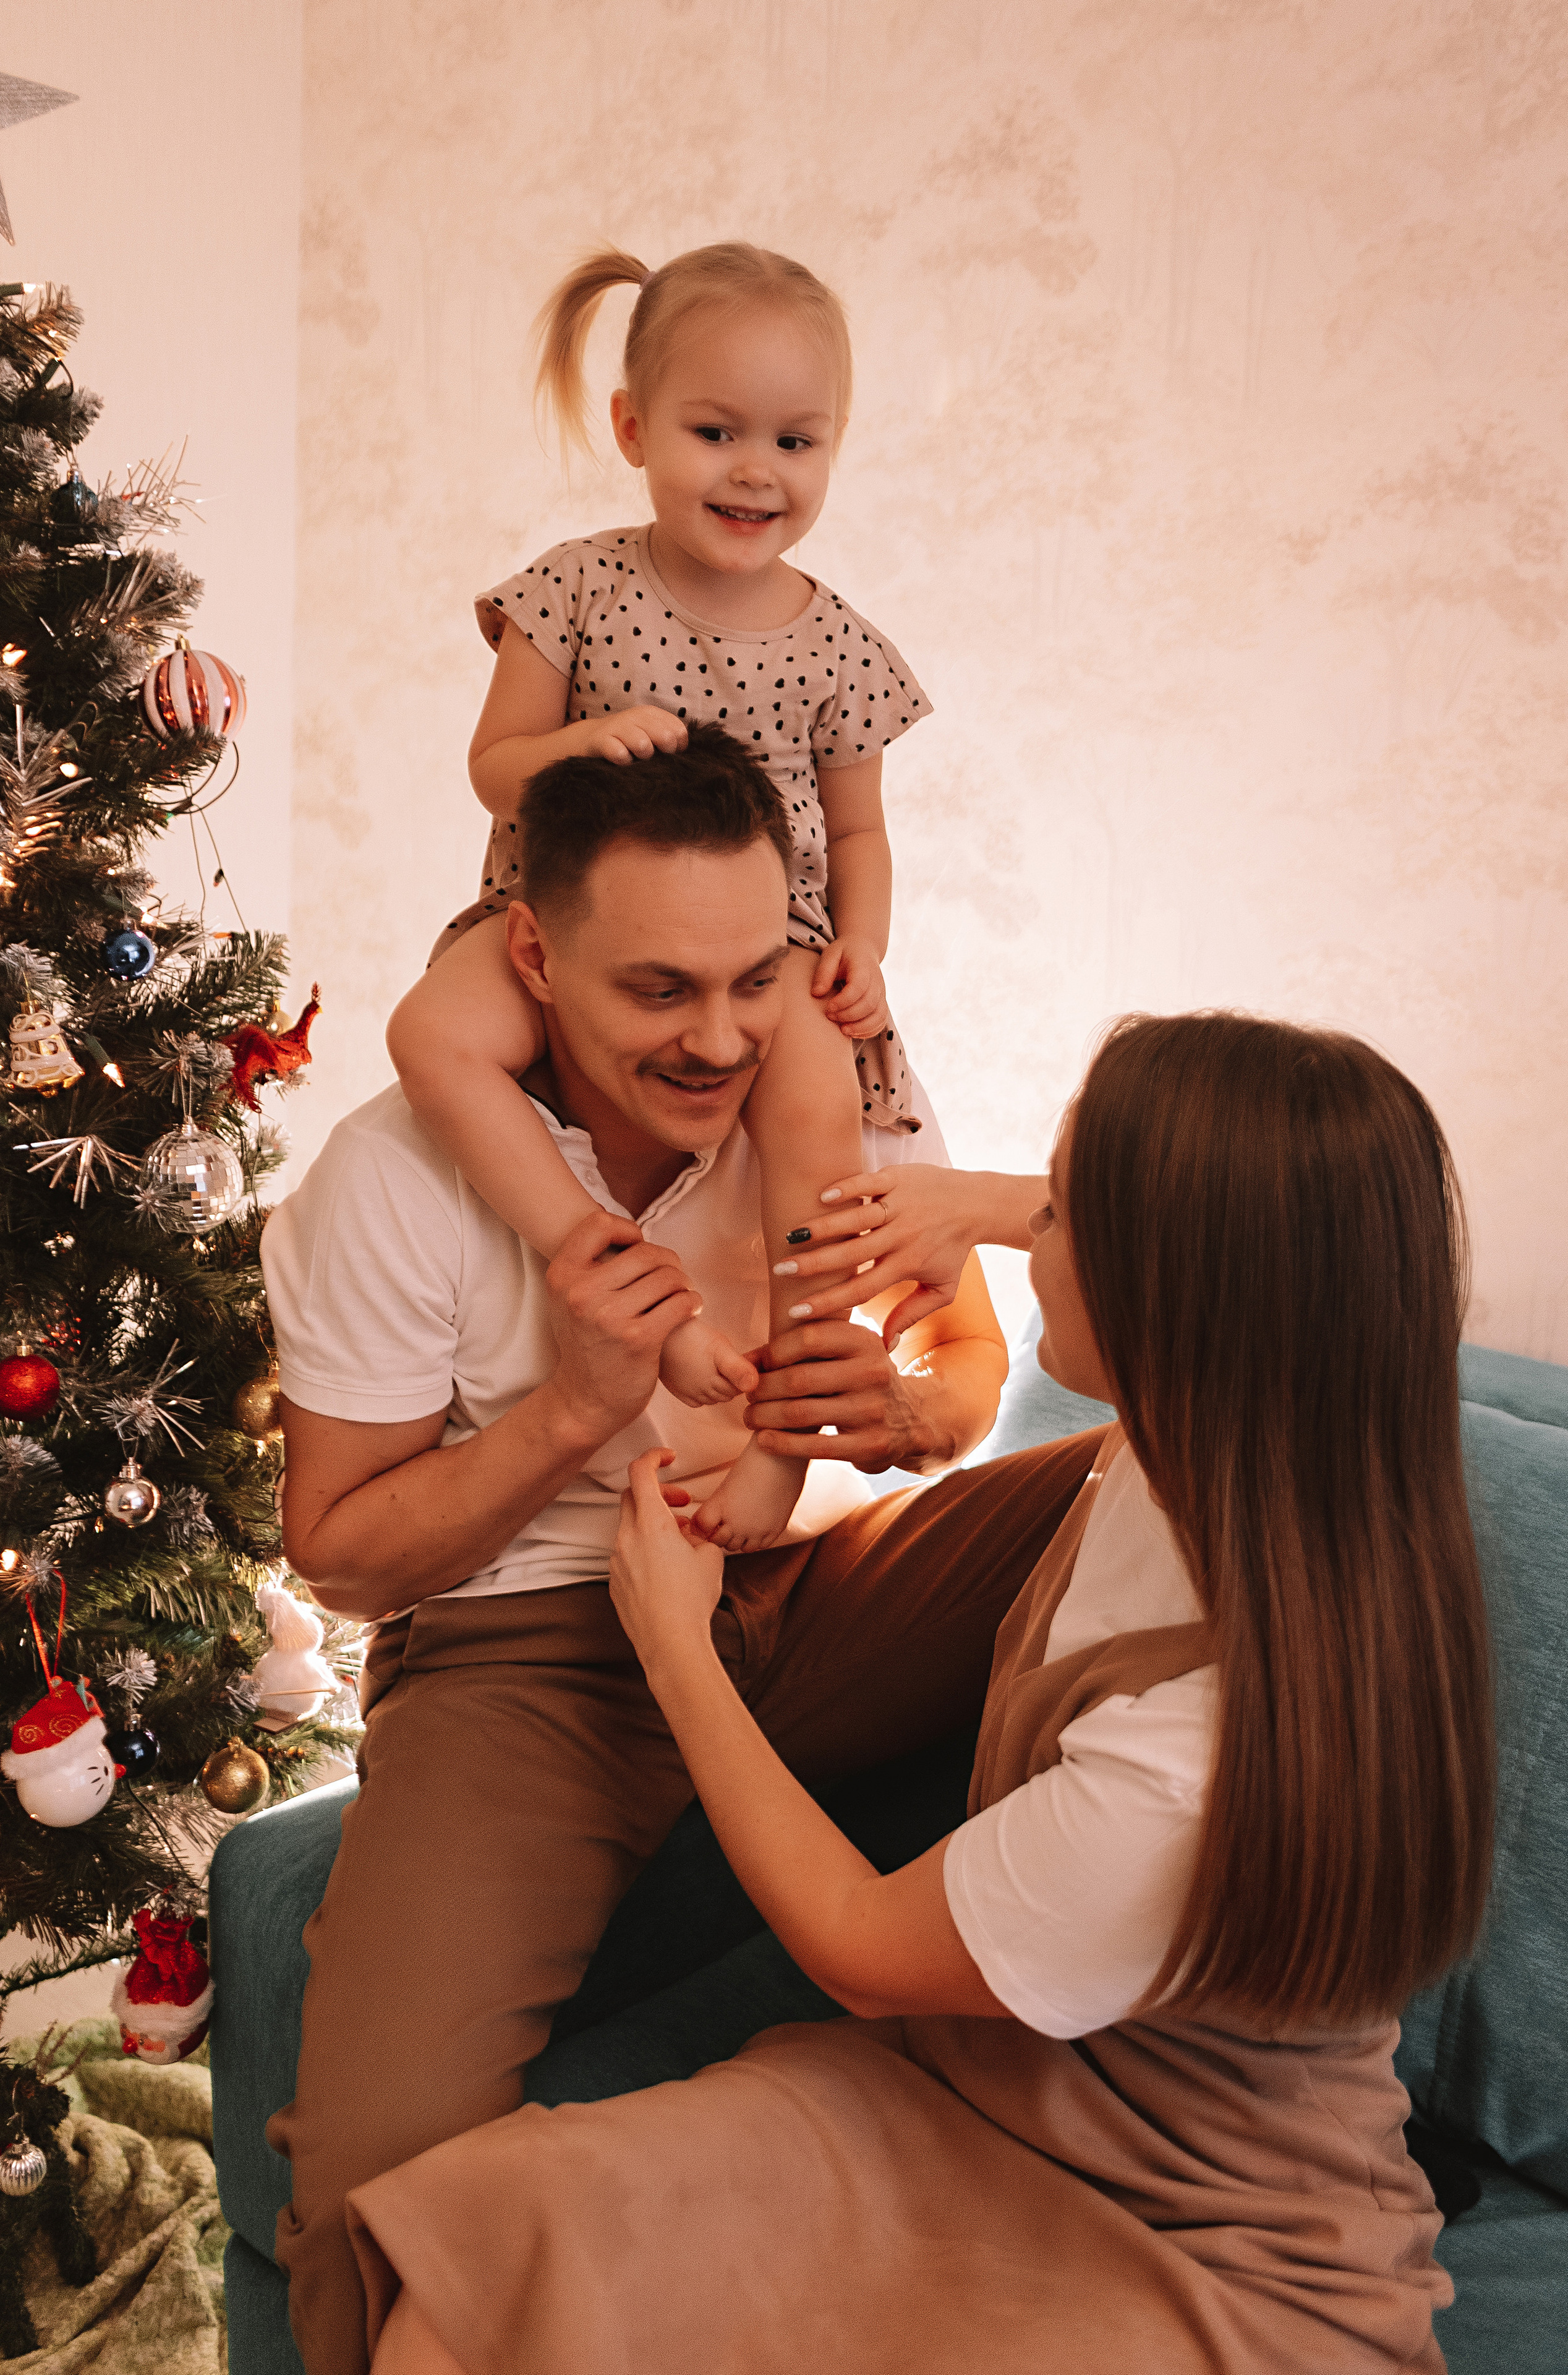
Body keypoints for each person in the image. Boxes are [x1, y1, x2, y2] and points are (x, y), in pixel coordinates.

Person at [351, 1012, 1496, 2375]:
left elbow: (855, 1945)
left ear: (1166, 1288)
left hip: (1206, 2243)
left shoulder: (1191, 1764)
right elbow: (1256, 1237)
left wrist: (674, 1642)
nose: (1024, 1233)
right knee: (468, 2277)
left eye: (1056, 1210)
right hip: (978, 2092)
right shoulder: (1243, 1434)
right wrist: (961, 1206)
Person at [259, 724, 1046, 2375]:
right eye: (659, 991)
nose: (720, 1038)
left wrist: (912, 1417)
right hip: (535, 1649)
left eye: (754, 979)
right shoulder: (393, 1179)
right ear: (532, 958)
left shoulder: (821, 1076)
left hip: (814, 1585)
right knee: (371, 2171)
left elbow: (965, 1359)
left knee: (1147, 1479)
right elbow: (339, 1556)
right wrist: (570, 1411)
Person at [386, 239, 932, 1554]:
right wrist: (577, 744)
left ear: (835, 445)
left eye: (796, 442)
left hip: (766, 946)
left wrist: (859, 945)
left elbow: (858, 828)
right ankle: (611, 1265)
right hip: (559, 916)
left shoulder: (840, 646)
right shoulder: (574, 588)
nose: (755, 471)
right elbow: (493, 766)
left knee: (816, 1122)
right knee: (429, 1036)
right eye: (714, 432)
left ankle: (786, 1438)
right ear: (634, 429)